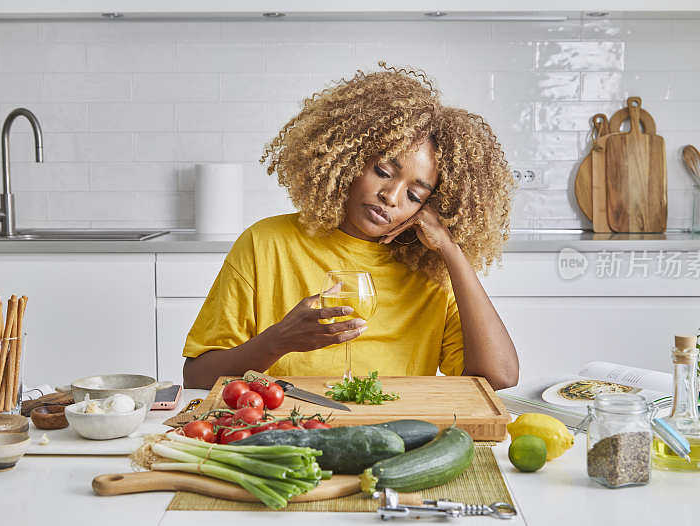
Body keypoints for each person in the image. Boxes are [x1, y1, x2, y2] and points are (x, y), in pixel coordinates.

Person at [182, 62, 519, 391]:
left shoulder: (430, 272)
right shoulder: (266, 243)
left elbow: (499, 376)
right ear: (350, 160)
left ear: (431, 205)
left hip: (398, 438)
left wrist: (450, 249)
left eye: (414, 195)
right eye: (383, 173)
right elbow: (197, 377)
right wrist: (278, 340)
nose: (390, 196)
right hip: (292, 431)